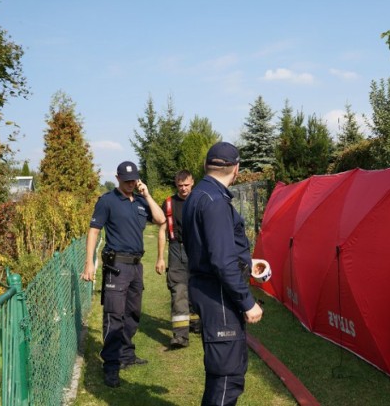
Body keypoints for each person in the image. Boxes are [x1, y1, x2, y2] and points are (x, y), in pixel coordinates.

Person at [182, 142, 264, 406]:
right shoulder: (215, 201)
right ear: (236, 169)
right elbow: (220, 259)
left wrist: (248, 263)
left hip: (209, 288)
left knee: (223, 373)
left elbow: (211, 248)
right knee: (228, 377)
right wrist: (247, 301)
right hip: (218, 295)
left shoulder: (200, 194)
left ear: (207, 165)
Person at [81, 161, 165, 388]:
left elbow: (160, 219)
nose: (130, 183)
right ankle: (111, 365)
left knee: (133, 313)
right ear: (117, 178)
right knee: (114, 315)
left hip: (136, 267)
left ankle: (127, 355)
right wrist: (89, 262)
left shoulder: (139, 201)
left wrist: (147, 195)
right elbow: (94, 231)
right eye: (126, 179)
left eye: (134, 179)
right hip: (116, 266)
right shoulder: (107, 201)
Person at [155, 169, 201, 349]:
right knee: (178, 289)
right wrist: (160, 258)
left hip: (198, 250)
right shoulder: (168, 203)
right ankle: (180, 336)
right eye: (180, 185)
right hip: (177, 248)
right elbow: (162, 231)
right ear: (176, 185)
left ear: (193, 183)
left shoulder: (200, 200)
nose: (183, 189)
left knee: (197, 288)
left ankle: (196, 323)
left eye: (186, 185)